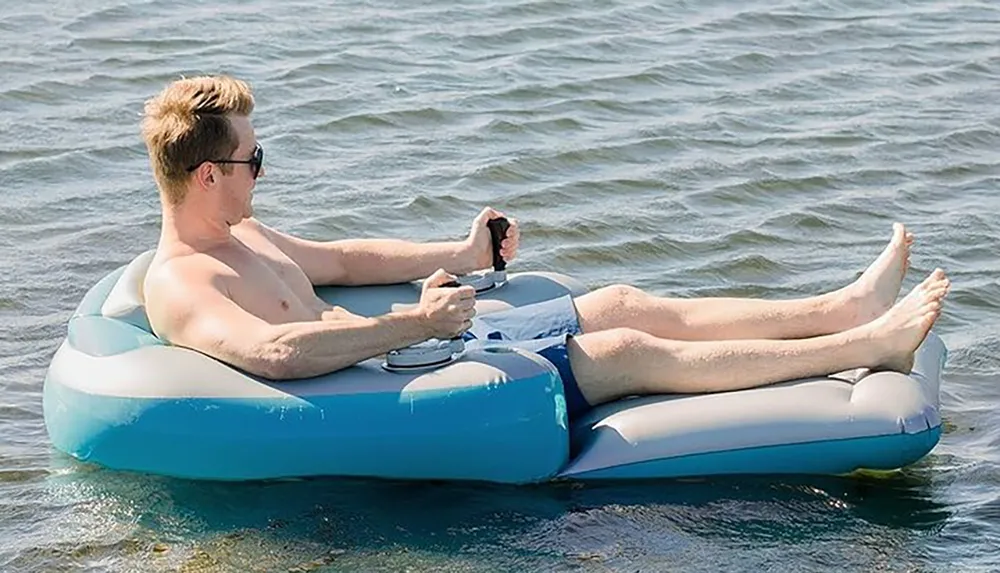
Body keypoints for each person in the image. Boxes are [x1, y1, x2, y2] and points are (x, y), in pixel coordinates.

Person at [141, 75, 950, 423]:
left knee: (624, 301)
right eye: (255, 159)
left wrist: (465, 254)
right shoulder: (182, 282)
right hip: (401, 383)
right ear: (210, 173)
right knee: (626, 346)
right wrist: (414, 327)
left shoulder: (243, 230)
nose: (264, 168)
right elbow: (277, 350)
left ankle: (840, 307)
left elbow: (345, 260)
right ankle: (861, 345)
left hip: (416, 351)